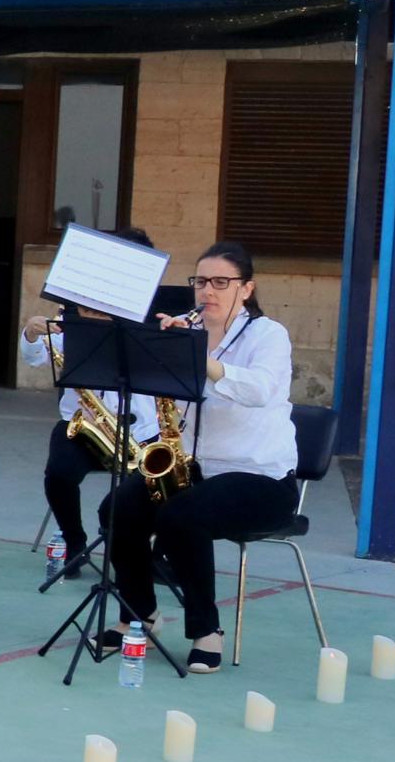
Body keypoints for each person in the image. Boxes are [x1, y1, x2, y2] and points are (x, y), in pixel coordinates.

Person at [102, 243, 295, 674]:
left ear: (246, 289)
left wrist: (199, 360)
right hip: (197, 469)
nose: (208, 291)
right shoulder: (187, 329)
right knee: (119, 507)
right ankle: (139, 614)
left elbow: (260, 390)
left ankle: (206, 631)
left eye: (221, 282)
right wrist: (157, 356)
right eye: (201, 281)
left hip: (260, 477)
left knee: (181, 516)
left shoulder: (269, 335)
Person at [18, 228, 163, 582]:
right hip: (83, 423)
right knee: (60, 472)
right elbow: (37, 359)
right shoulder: (75, 309)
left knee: (151, 488)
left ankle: (138, 553)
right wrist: (33, 333)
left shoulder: (156, 318)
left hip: (141, 430)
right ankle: (74, 542)